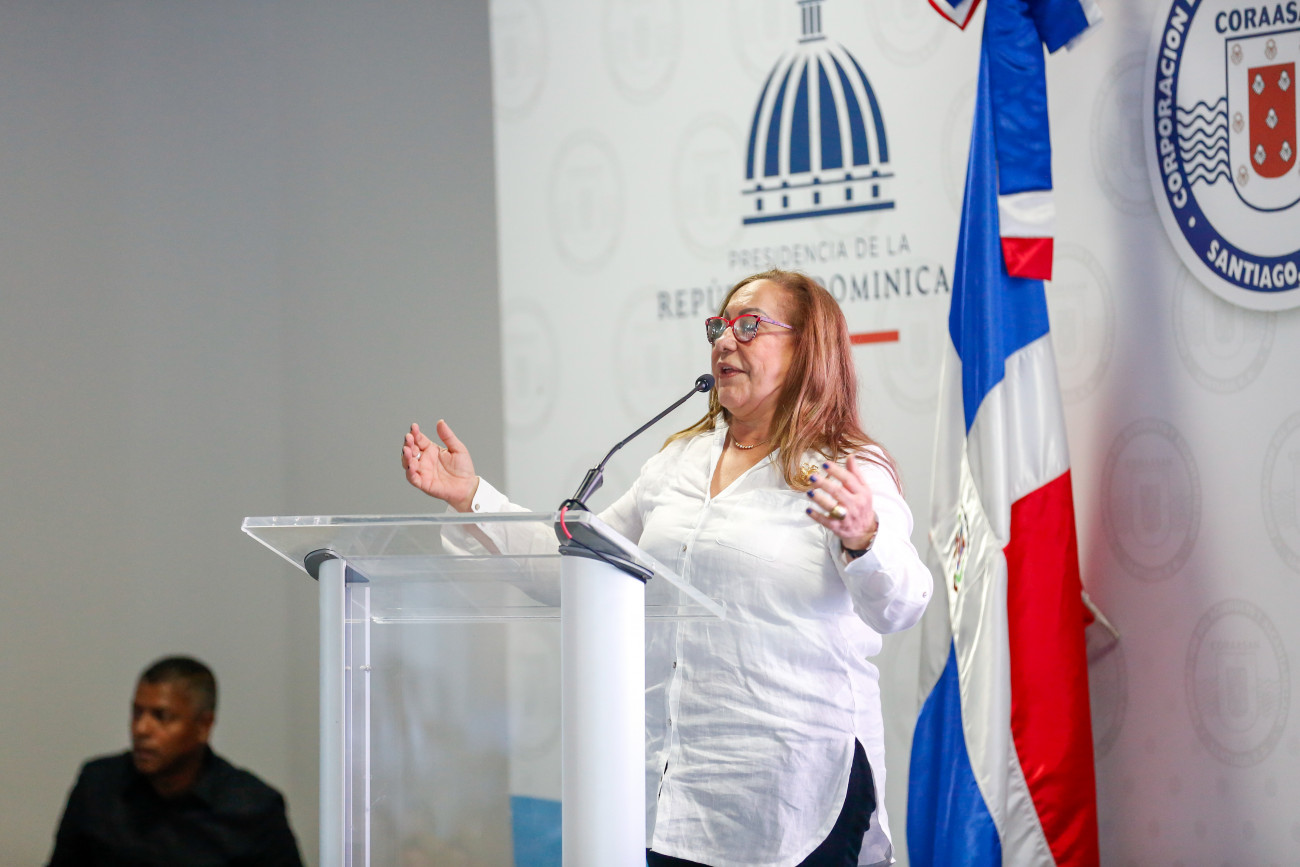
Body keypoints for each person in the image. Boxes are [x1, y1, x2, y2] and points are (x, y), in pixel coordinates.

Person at [401, 270, 933, 867]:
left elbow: (903, 605)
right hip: (680, 793)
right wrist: (473, 498)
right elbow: (578, 569)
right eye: (719, 327)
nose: (724, 341)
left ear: (807, 348)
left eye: (749, 326)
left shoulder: (848, 468)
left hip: (796, 794)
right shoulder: (678, 462)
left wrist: (865, 537)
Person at [47, 656, 304, 867]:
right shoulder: (98, 786)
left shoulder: (253, 808)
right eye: (137, 713)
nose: (141, 729)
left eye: (161, 716)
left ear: (203, 726)